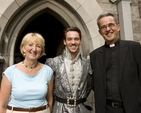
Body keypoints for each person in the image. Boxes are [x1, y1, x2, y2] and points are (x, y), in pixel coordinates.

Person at [90, 12, 141, 113]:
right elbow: (95, 85)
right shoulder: (95, 55)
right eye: (103, 27)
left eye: (111, 25)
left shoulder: (134, 48)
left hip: (132, 109)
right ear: (100, 32)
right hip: (106, 110)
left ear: (118, 27)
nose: (108, 29)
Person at [0, 33, 54, 113]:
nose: (34, 49)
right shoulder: (10, 72)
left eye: (38, 46)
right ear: (23, 48)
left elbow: (50, 100)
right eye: (30, 45)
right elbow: (2, 105)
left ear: (41, 51)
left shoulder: (48, 71)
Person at [46, 26, 92, 113]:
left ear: (80, 41)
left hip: (81, 109)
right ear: (65, 41)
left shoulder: (88, 64)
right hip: (60, 109)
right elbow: (49, 90)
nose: (73, 42)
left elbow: (88, 87)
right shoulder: (53, 62)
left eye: (76, 39)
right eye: (69, 39)